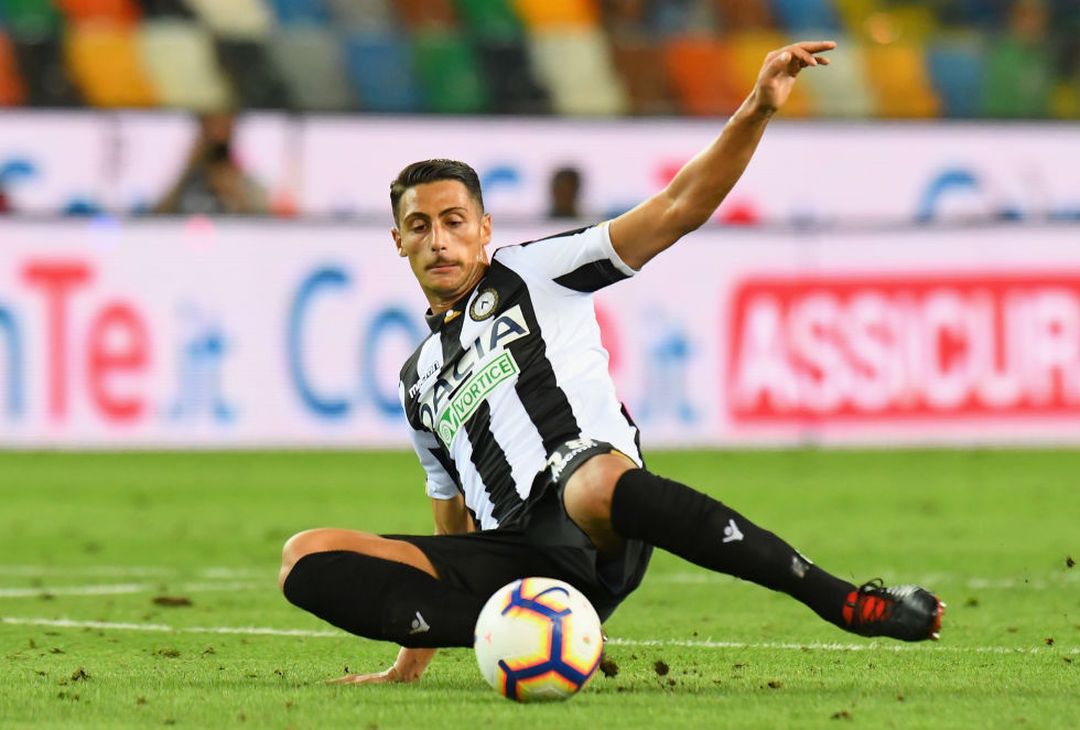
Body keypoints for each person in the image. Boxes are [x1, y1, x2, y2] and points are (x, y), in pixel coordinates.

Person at [279, 40, 944, 685]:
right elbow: (449, 518)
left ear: (485, 229)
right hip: (512, 561)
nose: (439, 240)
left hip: (590, 518)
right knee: (303, 557)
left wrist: (758, 107)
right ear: (398, 241)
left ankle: (842, 601)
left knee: (588, 477)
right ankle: (532, 632)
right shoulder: (415, 381)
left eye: (454, 221)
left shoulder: (534, 272)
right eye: (420, 226)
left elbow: (677, 208)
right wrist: (410, 657)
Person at [152, 113, 268, 216]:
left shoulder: (246, 180)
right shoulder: (187, 174)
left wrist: (235, 195)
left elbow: (263, 218)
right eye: (212, 121)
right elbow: (158, 215)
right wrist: (189, 167)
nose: (219, 129)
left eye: (226, 122)